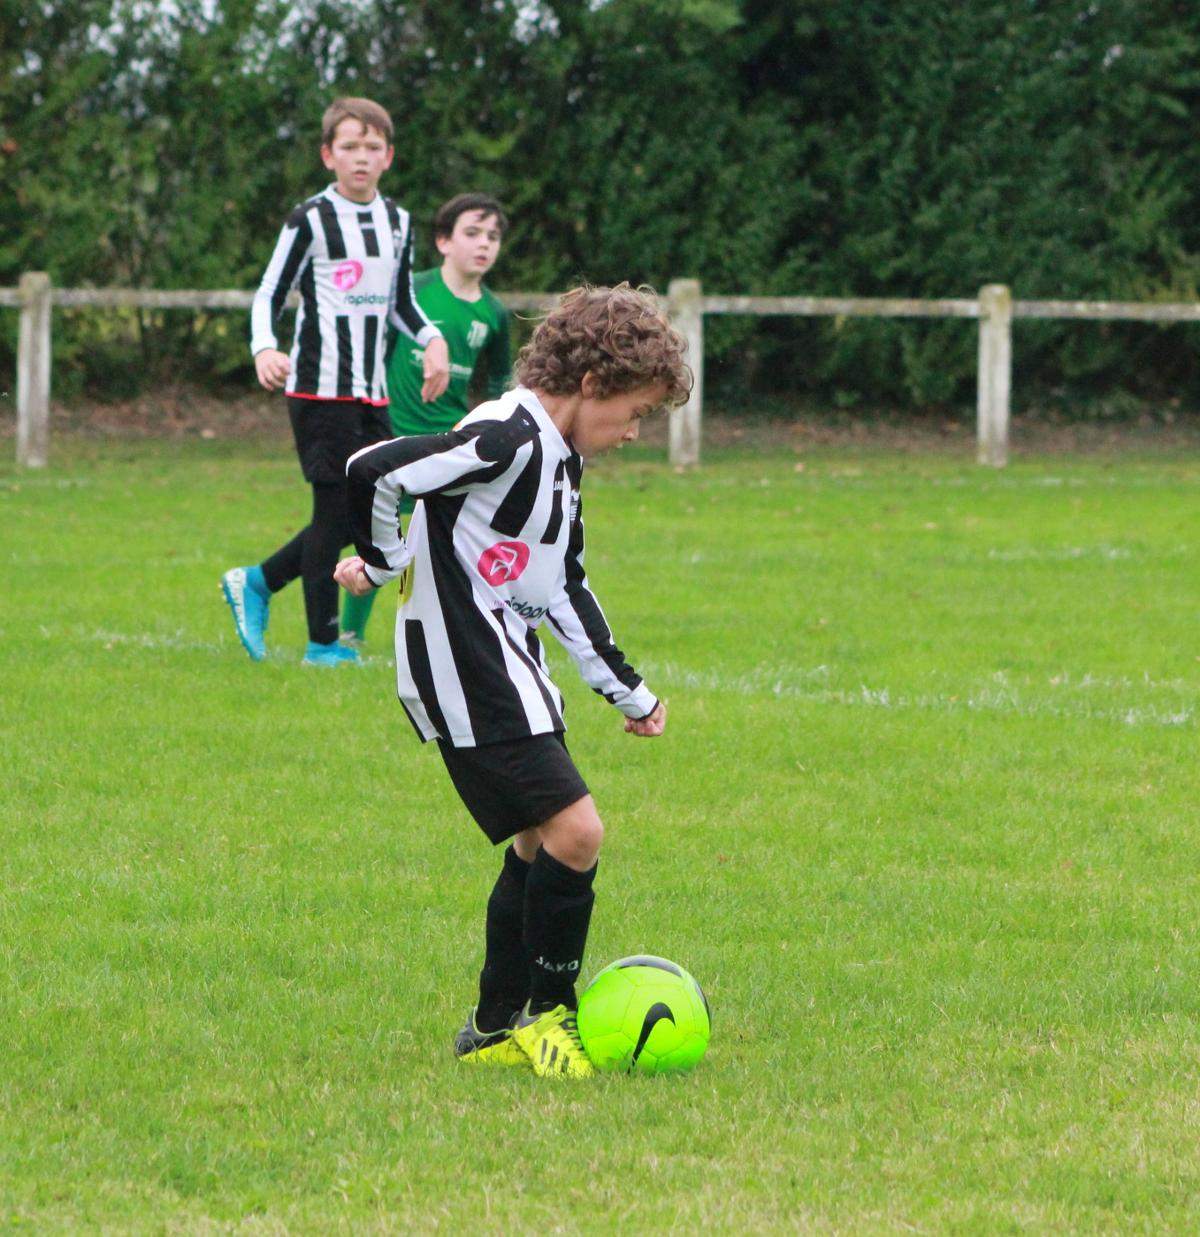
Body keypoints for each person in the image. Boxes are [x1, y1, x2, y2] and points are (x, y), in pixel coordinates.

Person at [334, 284, 690, 1077]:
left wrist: (629, 691)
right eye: (632, 411)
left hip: (504, 662)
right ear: (591, 384)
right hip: (464, 663)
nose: (633, 432)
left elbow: (561, 583)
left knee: (537, 841)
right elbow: (373, 472)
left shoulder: (559, 461)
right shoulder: (506, 434)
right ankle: (548, 1017)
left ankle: (493, 1030)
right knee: (578, 832)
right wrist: (386, 558)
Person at [220, 96, 450, 666]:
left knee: (375, 506)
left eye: (373, 147)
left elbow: (403, 304)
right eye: (350, 147)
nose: (361, 158)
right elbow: (270, 294)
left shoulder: (397, 221)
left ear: (389, 156)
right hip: (318, 388)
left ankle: (258, 581)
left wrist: (434, 341)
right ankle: (323, 646)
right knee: (334, 513)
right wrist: (264, 346)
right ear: (328, 155)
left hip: (372, 390)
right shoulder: (310, 219)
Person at [340, 192, 511, 645]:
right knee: (374, 534)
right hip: (392, 430)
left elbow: (497, 381)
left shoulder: (493, 313)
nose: (484, 244)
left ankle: (447, 632)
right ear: (443, 242)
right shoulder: (413, 292)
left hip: (447, 440)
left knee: (444, 542)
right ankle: (347, 637)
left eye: (492, 237)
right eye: (472, 233)